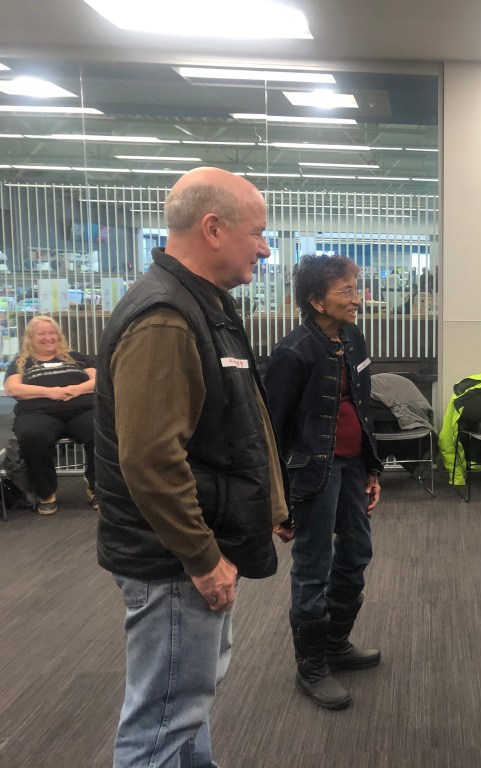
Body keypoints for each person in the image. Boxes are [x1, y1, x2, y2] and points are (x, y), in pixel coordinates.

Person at [95, 167, 290, 767]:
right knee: (161, 721)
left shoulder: (204, 306)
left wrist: (271, 505)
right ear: (212, 228)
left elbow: (236, 422)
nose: (264, 248)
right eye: (257, 232)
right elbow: (151, 460)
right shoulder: (166, 317)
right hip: (175, 559)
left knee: (185, 705)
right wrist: (203, 560)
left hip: (196, 542)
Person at [265, 254, 384, 710]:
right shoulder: (293, 351)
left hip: (353, 466)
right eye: (347, 291)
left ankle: (335, 644)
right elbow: (273, 429)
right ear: (316, 300)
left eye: (356, 289)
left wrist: (372, 467)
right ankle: (311, 667)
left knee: (356, 553)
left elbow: (363, 406)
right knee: (313, 566)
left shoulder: (353, 337)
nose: (357, 299)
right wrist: (278, 501)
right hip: (313, 470)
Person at [3, 315, 96, 515]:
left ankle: (96, 486)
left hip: (82, 409)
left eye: (52, 332)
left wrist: (76, 389)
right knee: (33, 435)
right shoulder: (21, 362)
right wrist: (50, 392)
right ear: (31, 338)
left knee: (101, 430)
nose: (48, 337)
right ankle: (46, 492)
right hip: (38, 412)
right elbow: (12, 388)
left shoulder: (76, 357)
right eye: (41, 334)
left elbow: (99, 380)